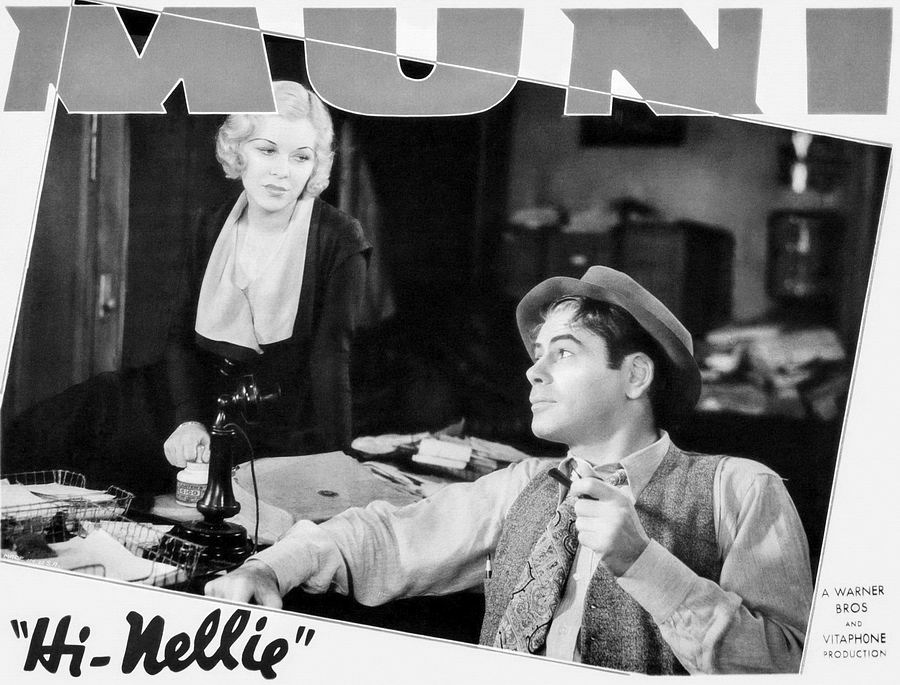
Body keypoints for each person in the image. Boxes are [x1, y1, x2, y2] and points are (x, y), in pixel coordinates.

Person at [204, 266, 812, 675]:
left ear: (634, 376)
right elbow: (385, 536)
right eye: (538, 354)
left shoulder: (741, 489)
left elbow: (790, 667)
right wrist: (271, 566)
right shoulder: (522, 486)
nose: (532, 371)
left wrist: (643, 562)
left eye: (564, 352)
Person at [164, 81, 371, 468]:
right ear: (238, 151)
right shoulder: (210, 224)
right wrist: (188, 420)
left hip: (289, 441)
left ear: (315, 165)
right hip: (202, 423)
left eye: (300, 157)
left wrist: (338, 466)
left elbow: (330, 362)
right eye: (267, 150)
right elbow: (180, 339)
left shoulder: (340, 238)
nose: (282, 172)